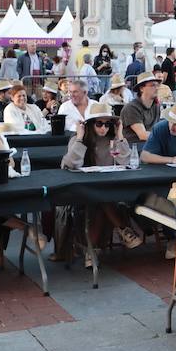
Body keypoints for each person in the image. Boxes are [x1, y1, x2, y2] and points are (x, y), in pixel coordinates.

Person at [61, 101, 142, 252]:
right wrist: (79, 138)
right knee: (101, 200)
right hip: (83, 190)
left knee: (101, 203)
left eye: (108, 124)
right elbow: (69, 164)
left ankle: (91, 253)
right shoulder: (78, 139)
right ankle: (124, 229)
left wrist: (119, 135)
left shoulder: (114, 141)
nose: (104, 128)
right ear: (91, 124)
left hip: (108, 189)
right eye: (99, 123)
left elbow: (128, 161)